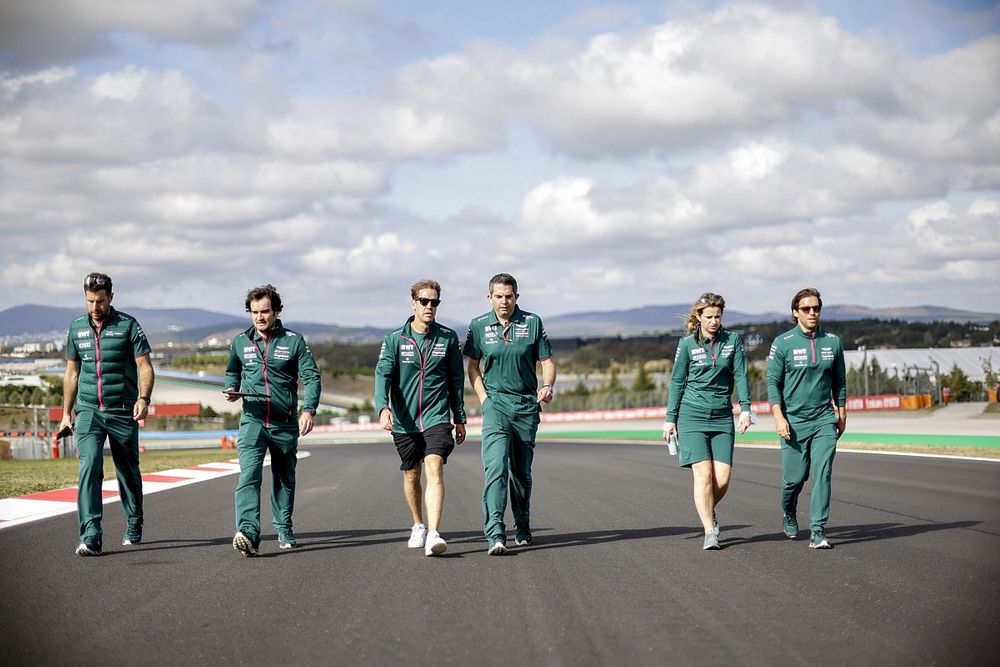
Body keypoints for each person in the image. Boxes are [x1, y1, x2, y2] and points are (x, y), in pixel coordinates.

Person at [61, 272, 155, 556]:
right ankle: (91, 535)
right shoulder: (76, 328)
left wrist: (143, 398)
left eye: (100, 301)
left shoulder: (128, 325)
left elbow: (145, 367)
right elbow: (71, 373)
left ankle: (134, 522)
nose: (95, 307)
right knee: (89, 467)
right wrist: (66, 413)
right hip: (89, 410)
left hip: (123, 410)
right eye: (90, 301)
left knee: (127, 471)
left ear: (110, 297)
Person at [225, 284, 321, 556]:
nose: (259, 317)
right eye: (254, 312)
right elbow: (232, 371)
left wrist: (308, 410)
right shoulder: (240, 342)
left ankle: (283, 526)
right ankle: (248, 532)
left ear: (276, 311)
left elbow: (312, 377)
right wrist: (232, 388)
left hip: (285, 422)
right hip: (252, 420)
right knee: (248, 475)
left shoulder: (294, 341)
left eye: (265, 311)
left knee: (284, 478)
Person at [464, 273, 556, 555]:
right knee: (495, 470)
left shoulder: (532, 322)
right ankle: (495, 533)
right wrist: (484, 399)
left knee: (521, 473)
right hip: (496, 407)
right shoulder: (478, 326)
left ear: (517, 296)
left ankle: (523, 524)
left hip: (526, 407)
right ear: (489, 297)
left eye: (509, 296)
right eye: (499, 296)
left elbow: (547, 361)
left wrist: (547, 385)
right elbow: (472, 366)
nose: (504, 301)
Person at [375, 279, 467, 556]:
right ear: (413, 303)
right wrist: (383, 407)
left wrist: (459, 417)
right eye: (424, 301)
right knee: (412, 473)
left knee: (435, 467)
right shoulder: (394, 340)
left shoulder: (448, 338)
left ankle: (435, 533)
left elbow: (455, 380)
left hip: (437, 416)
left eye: (434, 302)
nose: (429, 306)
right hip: (404, 420)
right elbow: (383, 375)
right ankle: (418, 525)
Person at [663, 293, 752, 550]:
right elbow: (677, 381)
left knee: (722, 479)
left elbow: (741, 376)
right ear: (699, 317)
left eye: (718, 316)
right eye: (709, 316)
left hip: (723, 415)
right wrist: (670, 419)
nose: (714, 321)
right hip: (691, 416)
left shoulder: (732, 340)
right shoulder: (687, 344)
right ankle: (709, 530)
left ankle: (707, 508)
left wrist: (746, 410)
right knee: (703, 476)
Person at [767, 287, 847, 549]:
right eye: (806, 309)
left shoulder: (833, 341)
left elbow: (840, 380)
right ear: (795, 312)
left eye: (816, 308)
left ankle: (817, 530)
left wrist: (842, 411)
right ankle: (789, 511)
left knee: (822, 472)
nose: (812, 313)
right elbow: (773, 383)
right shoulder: (783, 343)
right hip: (793, 421)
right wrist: (779, 418)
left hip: (824, 418)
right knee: (794, 478)